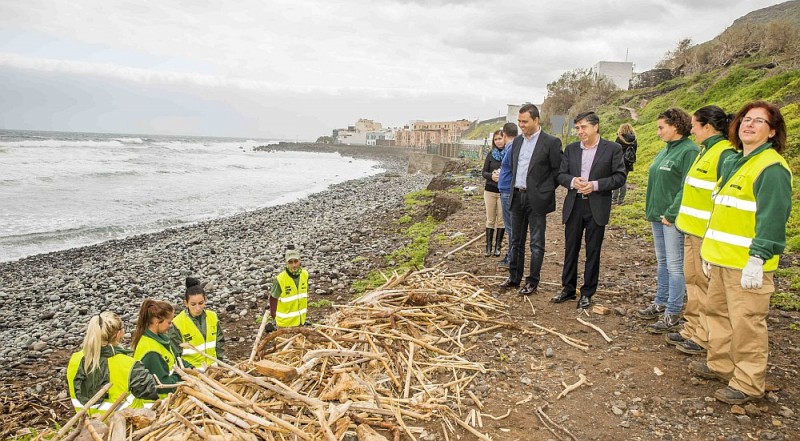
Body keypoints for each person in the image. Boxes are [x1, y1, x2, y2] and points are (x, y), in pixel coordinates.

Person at [692, 101, 792, 405]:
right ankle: (720, 364)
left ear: (772, 132)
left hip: (745, 263)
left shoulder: (772, 168)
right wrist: (709, 252)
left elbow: (772, 217)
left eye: (759, 122)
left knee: (747, 322)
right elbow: (722, 213)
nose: (749, 125)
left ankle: (748, 382)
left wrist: (758, 257)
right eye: (746, 119)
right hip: (720, 258)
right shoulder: (737, 162)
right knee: (716, 314)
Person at [666, 106, 735, 355]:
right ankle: (693, 328)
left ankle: (705, 336)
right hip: (691, 230)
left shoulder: (724, 153)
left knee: (706, 287)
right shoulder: (706, 151)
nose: (691, 129)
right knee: (693, 281)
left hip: (706, 234)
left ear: (708, 127)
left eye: (695, 125)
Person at [554, 112, 626, 309]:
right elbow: (561, 175)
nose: (580, 132)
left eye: (583, 127)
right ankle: (567, 288)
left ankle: (587, 292)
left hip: (597, 205)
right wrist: (572, 181)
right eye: (577, 128)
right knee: (571, 249)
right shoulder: (571, 149)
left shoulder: (612, 149)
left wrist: (595, 185)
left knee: (593, 251)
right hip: (574, 204)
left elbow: (619, 177)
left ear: (596, 127)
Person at [637, 108, 699, 333]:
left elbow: (687, 186)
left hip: (672, 219)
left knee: (675, 265)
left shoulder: (689, 151)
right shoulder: (665, 150)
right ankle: (660, 301)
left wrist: (672, 213)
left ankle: (672, 312)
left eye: (661, 127)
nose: (658, 132)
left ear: (676, 126)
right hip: (657, 216)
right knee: (663, 262)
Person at [499, 103, 563, 295]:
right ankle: (514, 277)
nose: (521, 125)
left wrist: (544, 191)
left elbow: (558, 171)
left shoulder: (551, 142)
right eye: (519, 121)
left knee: (536, 242)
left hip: (536, 200)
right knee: (516, 240)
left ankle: (532, 281)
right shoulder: (517, 142)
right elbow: (513, 166)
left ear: (536, 120)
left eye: (525, 121)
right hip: (517, 196)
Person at [67, 312, 158, 414]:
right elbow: (152, 393)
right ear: (118, 334)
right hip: (124, 425)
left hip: (86, 423)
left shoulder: (75, 359)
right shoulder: (128, 365)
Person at [170, 277, 225, 371]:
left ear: (206, 300)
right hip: (192, 374)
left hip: (214, 370)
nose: (198, 308)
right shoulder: (178, 323)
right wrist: (190, 369)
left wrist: (220, 365)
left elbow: (219, 344)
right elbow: (175, 354)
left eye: (201, 303)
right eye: (193, 304)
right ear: (186, 303)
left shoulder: (213, 317)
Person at [132, 299, 184, 397]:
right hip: (162, 401)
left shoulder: (162, 337)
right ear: (156, 321)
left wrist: (191, 368)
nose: (171, 325)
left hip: (170, 395)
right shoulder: (151, 351)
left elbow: (177, 358)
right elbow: (163, 385)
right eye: (169, 322)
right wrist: (182, 375)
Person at [497, 122, 519, 268]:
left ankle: (512, 257)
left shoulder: (511, 148)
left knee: (510, 226)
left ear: (504, 135)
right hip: (505, 189)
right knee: (510, 226)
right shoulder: (513, 147)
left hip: (507, 191)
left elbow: (513, 169)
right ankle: (511, 255)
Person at [269, 247, 309, 328]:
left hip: (301, 322)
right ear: (286, 263)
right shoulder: (279, 279)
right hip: (285, 324)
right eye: (290, 262)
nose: (294, 265)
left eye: (296, 261)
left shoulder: (305, 275)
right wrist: (274, 317)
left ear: (300, 260)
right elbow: (273, 299)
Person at [481, 130, 506, 257]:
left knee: (501, 220)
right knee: (490, 219)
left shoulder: (509, 154)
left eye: (500, 138)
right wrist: (492, 176)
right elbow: (484, 172)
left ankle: (498, 246)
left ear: (504, 139)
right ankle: (488, 247)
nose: (498, 141)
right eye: (496, 139)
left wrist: (503, 176)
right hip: (490, 190)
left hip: (503, 192)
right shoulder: (490, 155)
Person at [612, 123, 638, 204]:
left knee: (616, 180)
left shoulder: (619, 138)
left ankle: (614, 199)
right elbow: (635, 151)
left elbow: (615, 151)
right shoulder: (634, 139)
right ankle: (621, 199)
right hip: (628, 162)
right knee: (623, 180)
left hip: (619, 162)